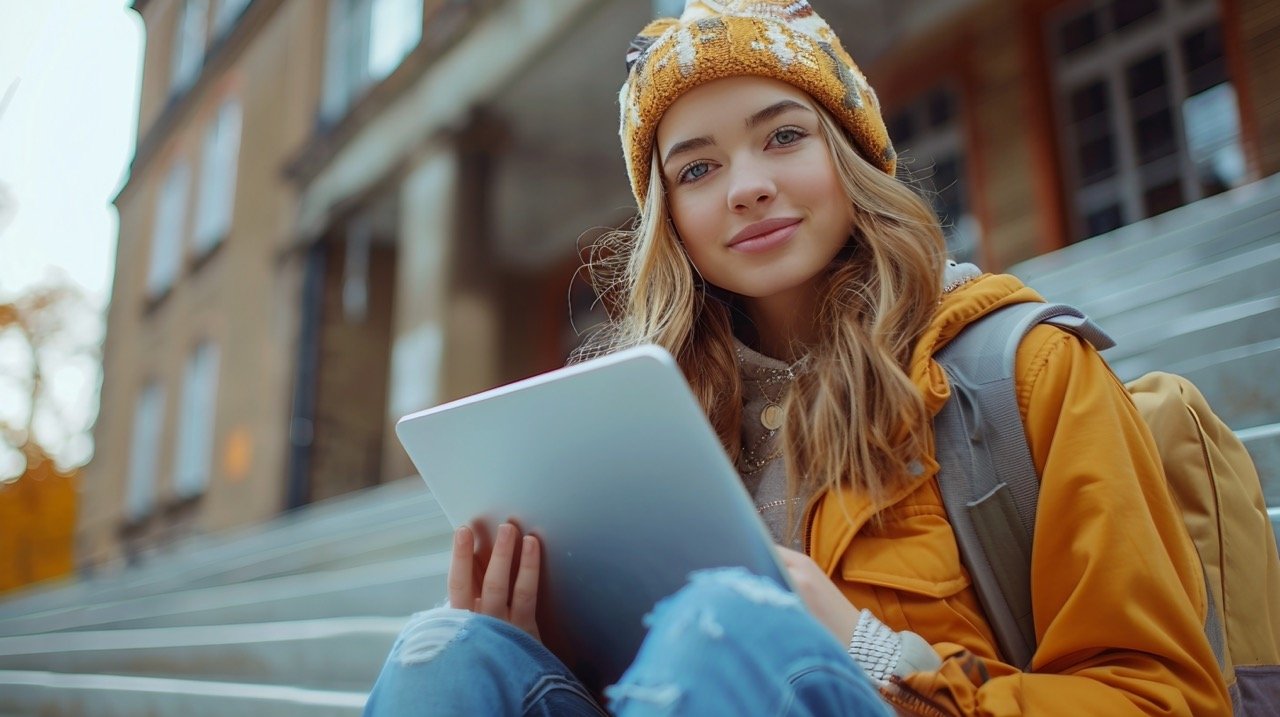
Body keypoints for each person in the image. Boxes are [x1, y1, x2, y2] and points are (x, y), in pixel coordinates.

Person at [364, 1, 1232, 714]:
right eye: (696, 170)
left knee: (725, 630)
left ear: (850, 154)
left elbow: (1163, 696)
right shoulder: (644, 430)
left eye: (783, 136)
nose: (745, 185)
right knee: (448, 654)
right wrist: (551, 648)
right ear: (672, 220)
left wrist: (869, 655)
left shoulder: (1027, 368)